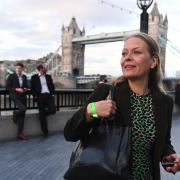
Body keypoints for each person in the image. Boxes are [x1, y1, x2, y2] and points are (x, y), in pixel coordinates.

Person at [64, 33, 180, 180]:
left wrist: (169, 156)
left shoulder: (164, 102)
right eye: (124, 53)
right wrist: (91, 110)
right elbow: (70, 134)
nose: (127, 57)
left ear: (153, 61)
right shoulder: (106, 92)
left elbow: (164, 143)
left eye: (136, 52)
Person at [31, 64, 56, 137]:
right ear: (40, 69)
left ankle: (43, 113)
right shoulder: (34, 77)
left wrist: (52, 93)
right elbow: (32, 88)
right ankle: (45, 132)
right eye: (45, 68)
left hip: (48, 95)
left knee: (53, 110)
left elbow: (52, 86)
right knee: (42, 116)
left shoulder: (48, 76)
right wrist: (35, 95)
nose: (46, 69)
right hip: (40, 96)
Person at [6, 62, 28, 140]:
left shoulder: (25, 77)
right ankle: (15, 113)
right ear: (15, 69)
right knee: (23, 109)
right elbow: (7, 87)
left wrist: (25, 89)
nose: (18, 69)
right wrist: (16, 89)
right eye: (17, 68)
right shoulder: (11, 76)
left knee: (22, 116)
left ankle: (20, 134)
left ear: (22, 69)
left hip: (23, 96)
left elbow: (26, 86)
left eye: (20, 68)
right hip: (15, 96)